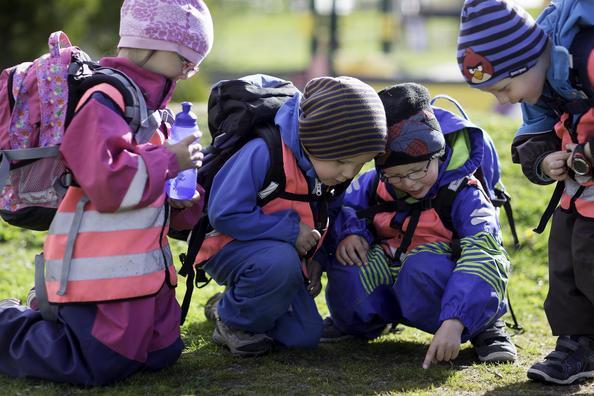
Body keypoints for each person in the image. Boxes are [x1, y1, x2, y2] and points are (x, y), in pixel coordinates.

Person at [0, 0, 213, 385]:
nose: (189, 71)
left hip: (140, 275)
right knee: (99, 362)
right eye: (185, 58)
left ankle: (45, 309)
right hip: (99, 276)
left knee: (163, 352)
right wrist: (168, 161)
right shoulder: (105, 99)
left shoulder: (153, 113)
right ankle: (8, 323)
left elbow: (148, 190)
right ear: (148, 44)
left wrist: (183, 200)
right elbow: (106, 184)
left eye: (194, 63)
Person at [320, 83, 516, 368]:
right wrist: (352, 233)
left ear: (437, 154)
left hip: (436, 277)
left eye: (417, 171)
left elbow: (485, 253)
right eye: (396, 177)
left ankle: (482, 326)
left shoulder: (466, 193)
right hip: (395, 267)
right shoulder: (376, 184)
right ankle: (359, 324)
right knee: (349, 261)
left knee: (421, 267)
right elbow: (347, 208)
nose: (410, 183)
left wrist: (456, 321)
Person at [457, 0, 594, 385]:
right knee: (564, 255)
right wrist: (544, 161)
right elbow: (534, 134)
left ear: (526, 60)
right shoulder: (541, 80)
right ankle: (577, 344)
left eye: (504, 87)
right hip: (578, 190)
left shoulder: (583, 54)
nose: (504, 100)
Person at [200, 76, 387, 357]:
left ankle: (228, 305)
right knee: (279, 263)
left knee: (303, 335)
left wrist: (317, 260)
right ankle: (233, 322)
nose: (349, 173)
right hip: (227, 247)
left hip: (280, 258)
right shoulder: (264, 152)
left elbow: (330, 215)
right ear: (315, 140)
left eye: (359, 164)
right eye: (341, 161)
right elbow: (224, 213)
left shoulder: (329, 173)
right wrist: (291, 232)